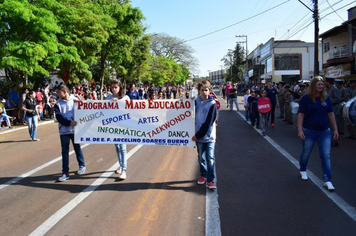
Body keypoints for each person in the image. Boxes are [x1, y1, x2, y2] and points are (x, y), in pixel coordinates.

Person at [297, 76, 339, 191]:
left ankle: (327, 179)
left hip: (324, 131)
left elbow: (331, 114)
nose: (321, 86)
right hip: (309, 130)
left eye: (322, 84)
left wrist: (335, 129)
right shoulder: (306, 98)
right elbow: (301, 114)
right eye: (319, 84)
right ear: (314, 85)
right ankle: (303, 170)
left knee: (325, 155)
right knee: (306, 152)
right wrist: (300, 130)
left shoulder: (326, 98)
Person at [54, 84, 86, 182]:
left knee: (77, 147)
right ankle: (65, 172)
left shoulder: (75, 99)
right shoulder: (57, 104)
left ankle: (82, 165)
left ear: (65, 92)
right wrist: (69, 123)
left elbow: (85, 108)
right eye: (57, 92)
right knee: (64, 151)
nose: (58, 94)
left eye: (59, 92)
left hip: (75, 130)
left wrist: (80, 102)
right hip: (64, 131)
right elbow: (59, 117)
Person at [192, 80, 218, 190]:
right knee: (201, 158)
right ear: (198, 91)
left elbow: (208, 123)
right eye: (202, 90)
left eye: (206, 90)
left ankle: (211, 180)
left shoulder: (213, 104)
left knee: (210, 157)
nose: (204, 92)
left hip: (209, 136)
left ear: (209, 91)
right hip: (198, 136)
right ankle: (203, 175)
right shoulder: (195, 102)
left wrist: (197, 135)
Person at [106, 79, 130, 180]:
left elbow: (129, 110)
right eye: (112, 87)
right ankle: (120, 166)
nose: (114, 89)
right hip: (113, 127)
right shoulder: (109, 98)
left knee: (123, 148)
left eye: (116, 87)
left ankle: (124, 170)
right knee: (117, 147)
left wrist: (119, 102)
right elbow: (102, 109)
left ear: (120, 87)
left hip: (123, 127)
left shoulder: (125, 98)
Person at [325, 77, 341, 147]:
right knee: (330, 126)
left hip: (334, 109)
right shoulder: (330, 89)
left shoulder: (334, 89)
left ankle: (335, 141)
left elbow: (338, 99)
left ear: (328, 82)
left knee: (334, 126)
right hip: (330, 109)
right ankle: (331, 140)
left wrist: (329, 101)